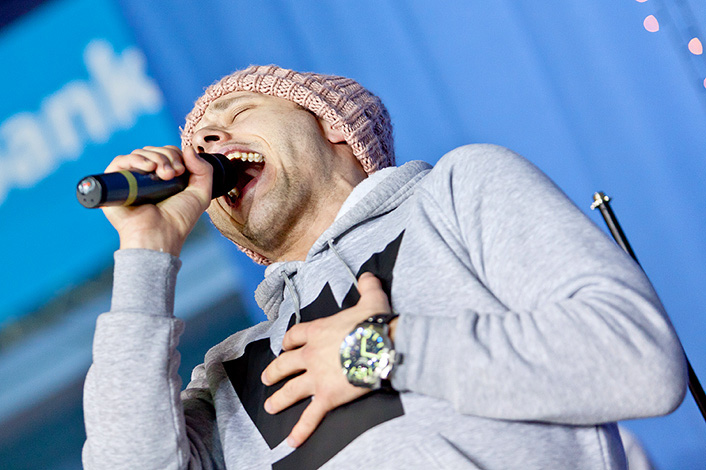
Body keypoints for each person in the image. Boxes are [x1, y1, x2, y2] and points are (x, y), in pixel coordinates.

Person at [82, 65, 687, 469]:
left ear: (333, 125)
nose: (206, 143)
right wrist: (145, 253)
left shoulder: (454, 195)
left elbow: (638, 361)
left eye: (236, 113)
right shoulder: (229, 373)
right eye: (198, 143)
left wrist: (374, 352)